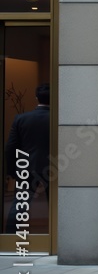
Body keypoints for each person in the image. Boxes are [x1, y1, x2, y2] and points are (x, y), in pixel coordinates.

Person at [4, 84, 50, 234]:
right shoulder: (57, 119)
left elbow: (11, 147)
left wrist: (12, 171)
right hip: (54, 166)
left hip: (27, 166)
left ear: (36, 98)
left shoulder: (21, 119)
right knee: (58, 206)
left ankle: (11, 239)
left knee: (20, 205)